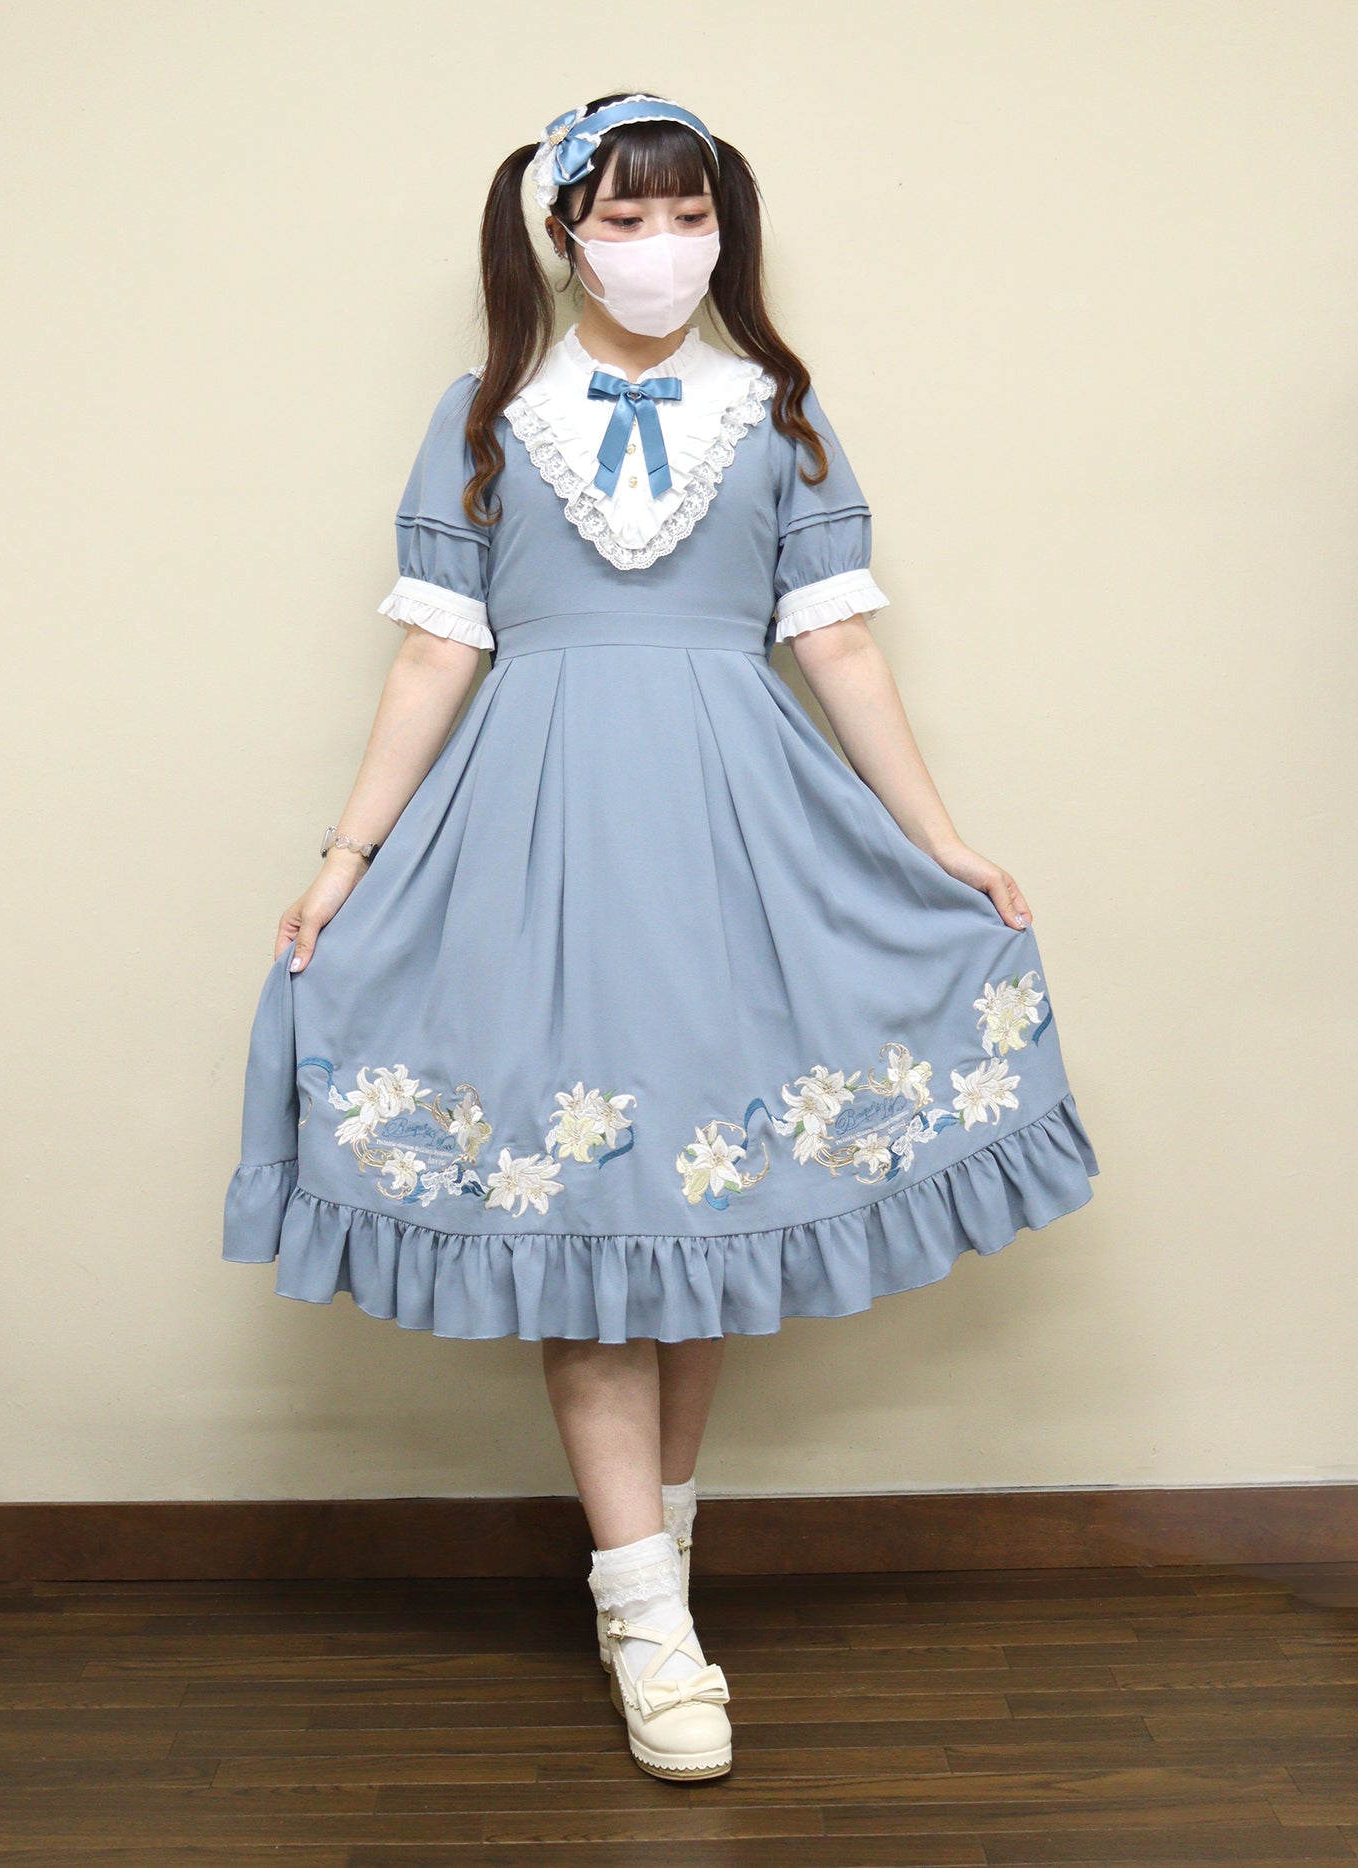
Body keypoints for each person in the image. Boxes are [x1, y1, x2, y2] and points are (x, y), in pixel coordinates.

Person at [222, 90, 1100, 1783]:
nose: (659, 246)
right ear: (562, 234)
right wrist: (345, 858)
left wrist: (941, 842)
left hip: (731, 836)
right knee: (586, 1215)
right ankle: (643, 1615)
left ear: (724, 228)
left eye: (686, 215)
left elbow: (837, 646)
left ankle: (655, 1574)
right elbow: (437, 651)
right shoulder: (487, 414)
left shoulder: (777, 409)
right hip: (533, 836)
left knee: (698, 1202)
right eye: (623, 218)